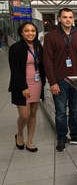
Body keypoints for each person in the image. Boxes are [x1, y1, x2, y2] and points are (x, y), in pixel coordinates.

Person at [43, 8, 77, 152]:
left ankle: (75, 134)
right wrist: (52, 82)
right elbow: (47, 60)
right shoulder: (51, 36)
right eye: (65, 17)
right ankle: (62, 136)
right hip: (60, 79)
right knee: (61, 111)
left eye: (70, 17)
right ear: (59, 19)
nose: (68, 19)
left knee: (75, 110)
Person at [9, 22, 45, 152]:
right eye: (27, 31)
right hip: (21, 85)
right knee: (24, 115)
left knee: (33, 113)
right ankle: (19, 134)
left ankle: (30, 141)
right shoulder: (15, 48)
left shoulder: (38, 47)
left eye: (33, 31)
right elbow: (15, 70)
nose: (30, 33)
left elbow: (42, 66)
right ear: (21, 33)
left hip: (36, 83)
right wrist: (23, 87)